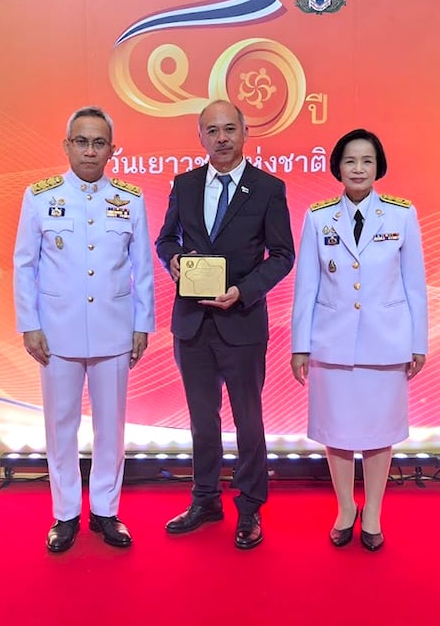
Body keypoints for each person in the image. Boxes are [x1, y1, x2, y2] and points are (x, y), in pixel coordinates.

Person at [13, 106, 155, 553]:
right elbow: (24, 265)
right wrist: (30, 323)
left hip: (115, 330)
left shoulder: (130, 199)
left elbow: (142, 268)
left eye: (98, 142)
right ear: (67, 146)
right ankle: (65, 514)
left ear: (112, 150)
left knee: (111, 428)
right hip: (57, 332)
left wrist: (142, 324)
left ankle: (106, 511)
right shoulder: (40, 196)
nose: (90, 150)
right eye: (81, 141)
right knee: (61, 427)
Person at [155, 99, 295, 549]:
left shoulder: (268, 188)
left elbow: (283, 256)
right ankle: (205, 500)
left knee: (248, 421)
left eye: (229, 129)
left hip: (242, 321)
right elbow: (165, 239)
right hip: (192, 323)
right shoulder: (185, 184)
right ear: (200, 137)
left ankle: (250, 506)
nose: (221, 138)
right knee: (202, 420)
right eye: (212, 130)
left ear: (245, 133)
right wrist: (173, 260)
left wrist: (244, 291)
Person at [290, 128, 428, 552]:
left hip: (386, 342)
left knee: (379, 432)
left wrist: (418, 342)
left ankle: (374, 513)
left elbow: (414, 285)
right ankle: (346, 508)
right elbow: (306, 286)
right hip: (332, 343)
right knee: (337, 431)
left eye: (367, 161)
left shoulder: (401, 215)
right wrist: (300, 345)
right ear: (338, 167)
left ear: (378, 167)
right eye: (350, 161)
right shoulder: (318, 217)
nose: (358, 169)